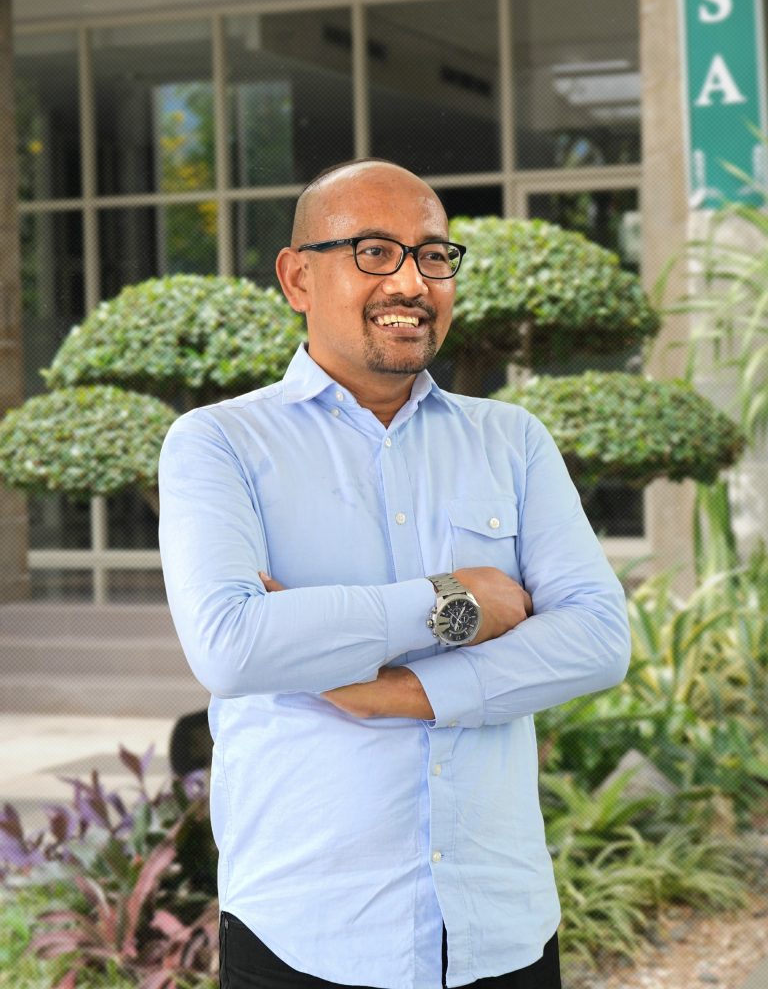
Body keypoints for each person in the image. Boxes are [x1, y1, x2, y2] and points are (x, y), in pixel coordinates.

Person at [158, 158, 631, 989]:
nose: (412, 282)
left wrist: (396, 690)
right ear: (297, 278)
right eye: (374, 252)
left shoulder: (511, 440)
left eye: (433, 255)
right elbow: (232, 645)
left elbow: (598, 638)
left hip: (500, 926)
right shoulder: (220, 444)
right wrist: (459, 601)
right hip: (306, 934)